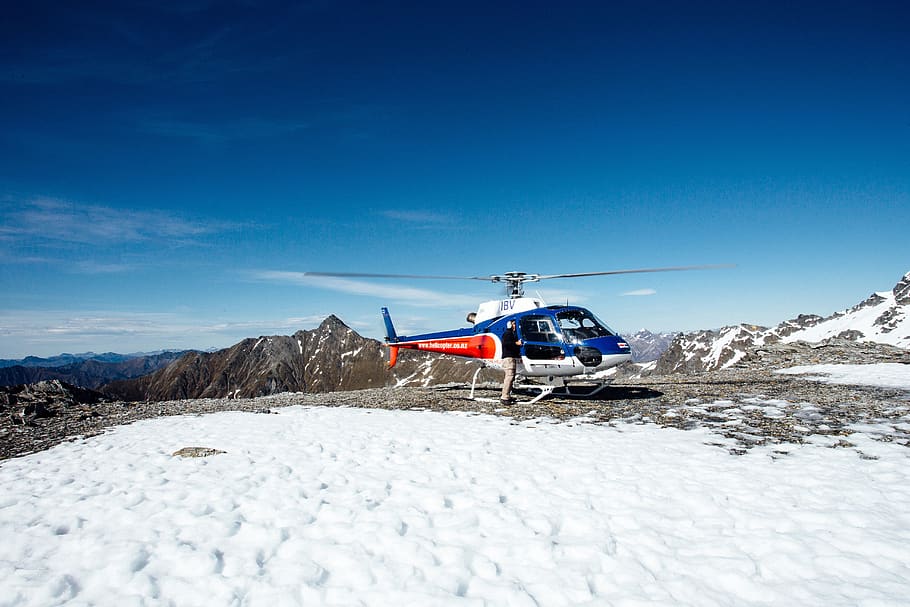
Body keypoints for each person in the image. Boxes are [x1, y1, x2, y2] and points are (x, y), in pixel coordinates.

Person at [500, 319, 522, 405]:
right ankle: (504, 397)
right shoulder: (508, 334)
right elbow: (507, 344)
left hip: (511, 358)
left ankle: (507, 395)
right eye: (513, 324)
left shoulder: (512, 334)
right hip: (508, 359)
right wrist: (516, 343)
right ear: (510, 325)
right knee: (509, 377)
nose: (515, 325)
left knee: (511, 377)